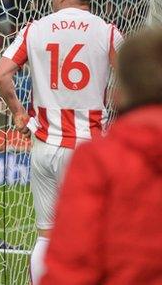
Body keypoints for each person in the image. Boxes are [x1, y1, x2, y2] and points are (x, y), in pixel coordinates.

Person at [0, 0, 122, 285]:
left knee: (47, 236)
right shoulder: (107, 32)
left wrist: (19, 113)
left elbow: (1, 73)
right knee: (90, 236)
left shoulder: (35, 29)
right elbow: (132, 81)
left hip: (44, 146)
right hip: (86, 149)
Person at [41, 28, 162, 284]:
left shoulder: (99, 159)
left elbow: (71, 265)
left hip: (50, 140)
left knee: (45, 232)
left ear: (120, 91)